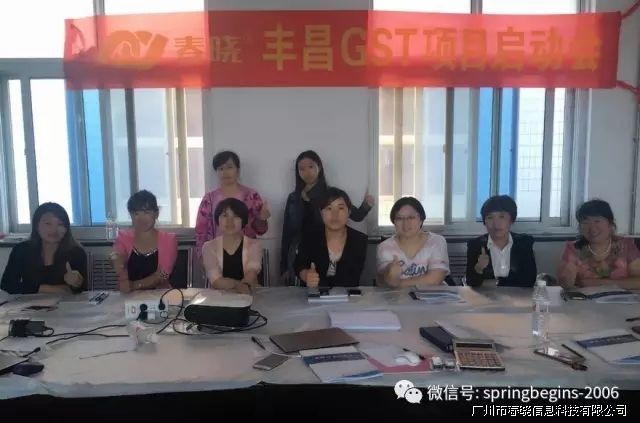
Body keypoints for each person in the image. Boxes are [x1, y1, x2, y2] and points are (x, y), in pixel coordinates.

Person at [281, 150, 373, 283]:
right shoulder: (294, 198)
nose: (307, 172)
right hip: (298, 251)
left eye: (311, 167)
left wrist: (366, 205)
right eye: (302, 169)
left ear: (319, 167)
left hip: (323, 248)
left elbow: (355, 215)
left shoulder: (329, 195)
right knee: (300, 289)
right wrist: (284, 265)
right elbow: (287, 232)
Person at [195, 151, 269, 257]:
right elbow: (201, 231)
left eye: (229, 167)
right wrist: (202, 256)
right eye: (220, 169)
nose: (225, 172)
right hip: (216, 256)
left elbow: (261, 230)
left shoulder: (252, 196)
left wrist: (262, 219)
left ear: (237, 170)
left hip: (247, 255)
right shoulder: (209, 199)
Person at [1, 202, 87, 294]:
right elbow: (7, 285)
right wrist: (44, 288)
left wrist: (77, 283)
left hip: (66, 302)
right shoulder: (21, 250)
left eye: (60, 224)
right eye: (48, 223)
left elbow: (83, 290)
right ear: (37, 226)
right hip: (29, 302)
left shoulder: (77, 252)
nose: (54, 229)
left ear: (66, 229)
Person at [558, 199, 640, 289]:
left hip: (622, 298)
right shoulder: (573, 249)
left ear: (610, 224)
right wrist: (567, 279)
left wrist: (600, 283)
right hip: (584, 298)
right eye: (585, 222)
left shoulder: (626, 246)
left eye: (597, 221)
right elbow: (564, 284)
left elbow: (638, 281)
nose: (592, 228)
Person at [295, 188, 367, 288]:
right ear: (321, 212)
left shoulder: (359, 240)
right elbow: (299, 265)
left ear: (349, 212)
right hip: (313, 295)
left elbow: (352, 277)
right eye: (329, 208)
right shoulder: (309, 237)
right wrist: (306, 275)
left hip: (347, 296)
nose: (335, 214)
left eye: (340, 208)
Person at [111, 190, 178, 293]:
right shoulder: (123, 237)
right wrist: (116, 261)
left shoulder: (169, 240)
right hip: (128, 297)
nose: (141, 219)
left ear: (156, 213)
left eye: (147, 212)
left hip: (160, 296)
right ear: (131, 215)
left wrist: (134, 285)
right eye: (136, 213)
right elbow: (119, 263)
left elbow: (163, 275)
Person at [466, 195, 537, 287]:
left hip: (518, 296)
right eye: (490, 218)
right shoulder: (475, 245)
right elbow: (471, 282)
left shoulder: (524, 243)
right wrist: (479, 268)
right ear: (484, 222)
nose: (496, 224)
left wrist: (495, 283)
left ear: (511, 220)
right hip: (487, 296)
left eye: (502, 217)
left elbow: (529, 280)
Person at [377, 197, 449, 287]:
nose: (406, 223)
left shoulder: (436, 242)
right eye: (399, 218)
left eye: (411, 217)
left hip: (433, 295)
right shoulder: (384, 247)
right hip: (398, 296)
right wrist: (389, 274)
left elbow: (434, 279)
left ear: (421, 219)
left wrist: (398, 283)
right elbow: (384, 282)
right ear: (393, 222)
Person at [202, 198, 262, 294]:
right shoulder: (208, 247)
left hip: (249, 295)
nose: (229, 221)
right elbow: (216, 280)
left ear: (243, 220)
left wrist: (245, 285)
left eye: (236, 216)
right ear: (217, 219)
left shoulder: (254, 245)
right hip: (219, 298)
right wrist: (239, 285)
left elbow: (252, 272)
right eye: (225, 216)